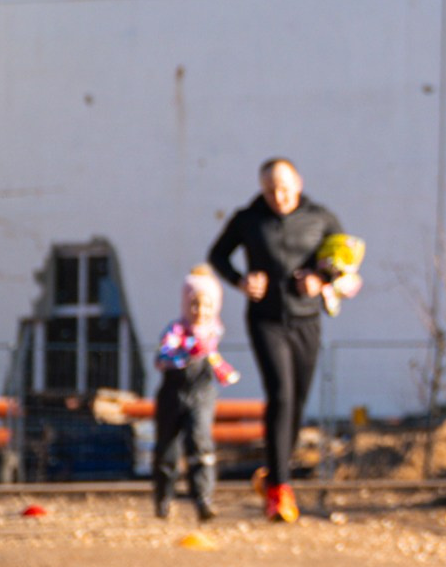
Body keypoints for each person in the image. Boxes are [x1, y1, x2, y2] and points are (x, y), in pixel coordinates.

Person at [207, 158, 361, 523]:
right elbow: (218, 255)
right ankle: (280, 491)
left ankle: (273, 476)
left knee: (297, 403)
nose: (278, 196)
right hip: (266, 320)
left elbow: (345, 268)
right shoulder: (248, 219)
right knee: (281, 395)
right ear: (262, 188)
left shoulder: (321, 218)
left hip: (306, 320)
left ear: (299, 183)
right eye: (270, 189)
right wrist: (241, 281)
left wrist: (322, 283)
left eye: (285, 188)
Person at [150, 266, 240, 522]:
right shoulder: (176, 331)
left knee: (200, 442)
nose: (200, 311)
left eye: (206, 305)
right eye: (194, 304)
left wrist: (225, 371)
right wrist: (187, 349)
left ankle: (204, 500)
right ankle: (164, 499)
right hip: (172, 392)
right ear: (186, 304)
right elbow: (164, 355)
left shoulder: (213, 332)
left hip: (201, 394)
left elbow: (215, 359)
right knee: (167, 448)